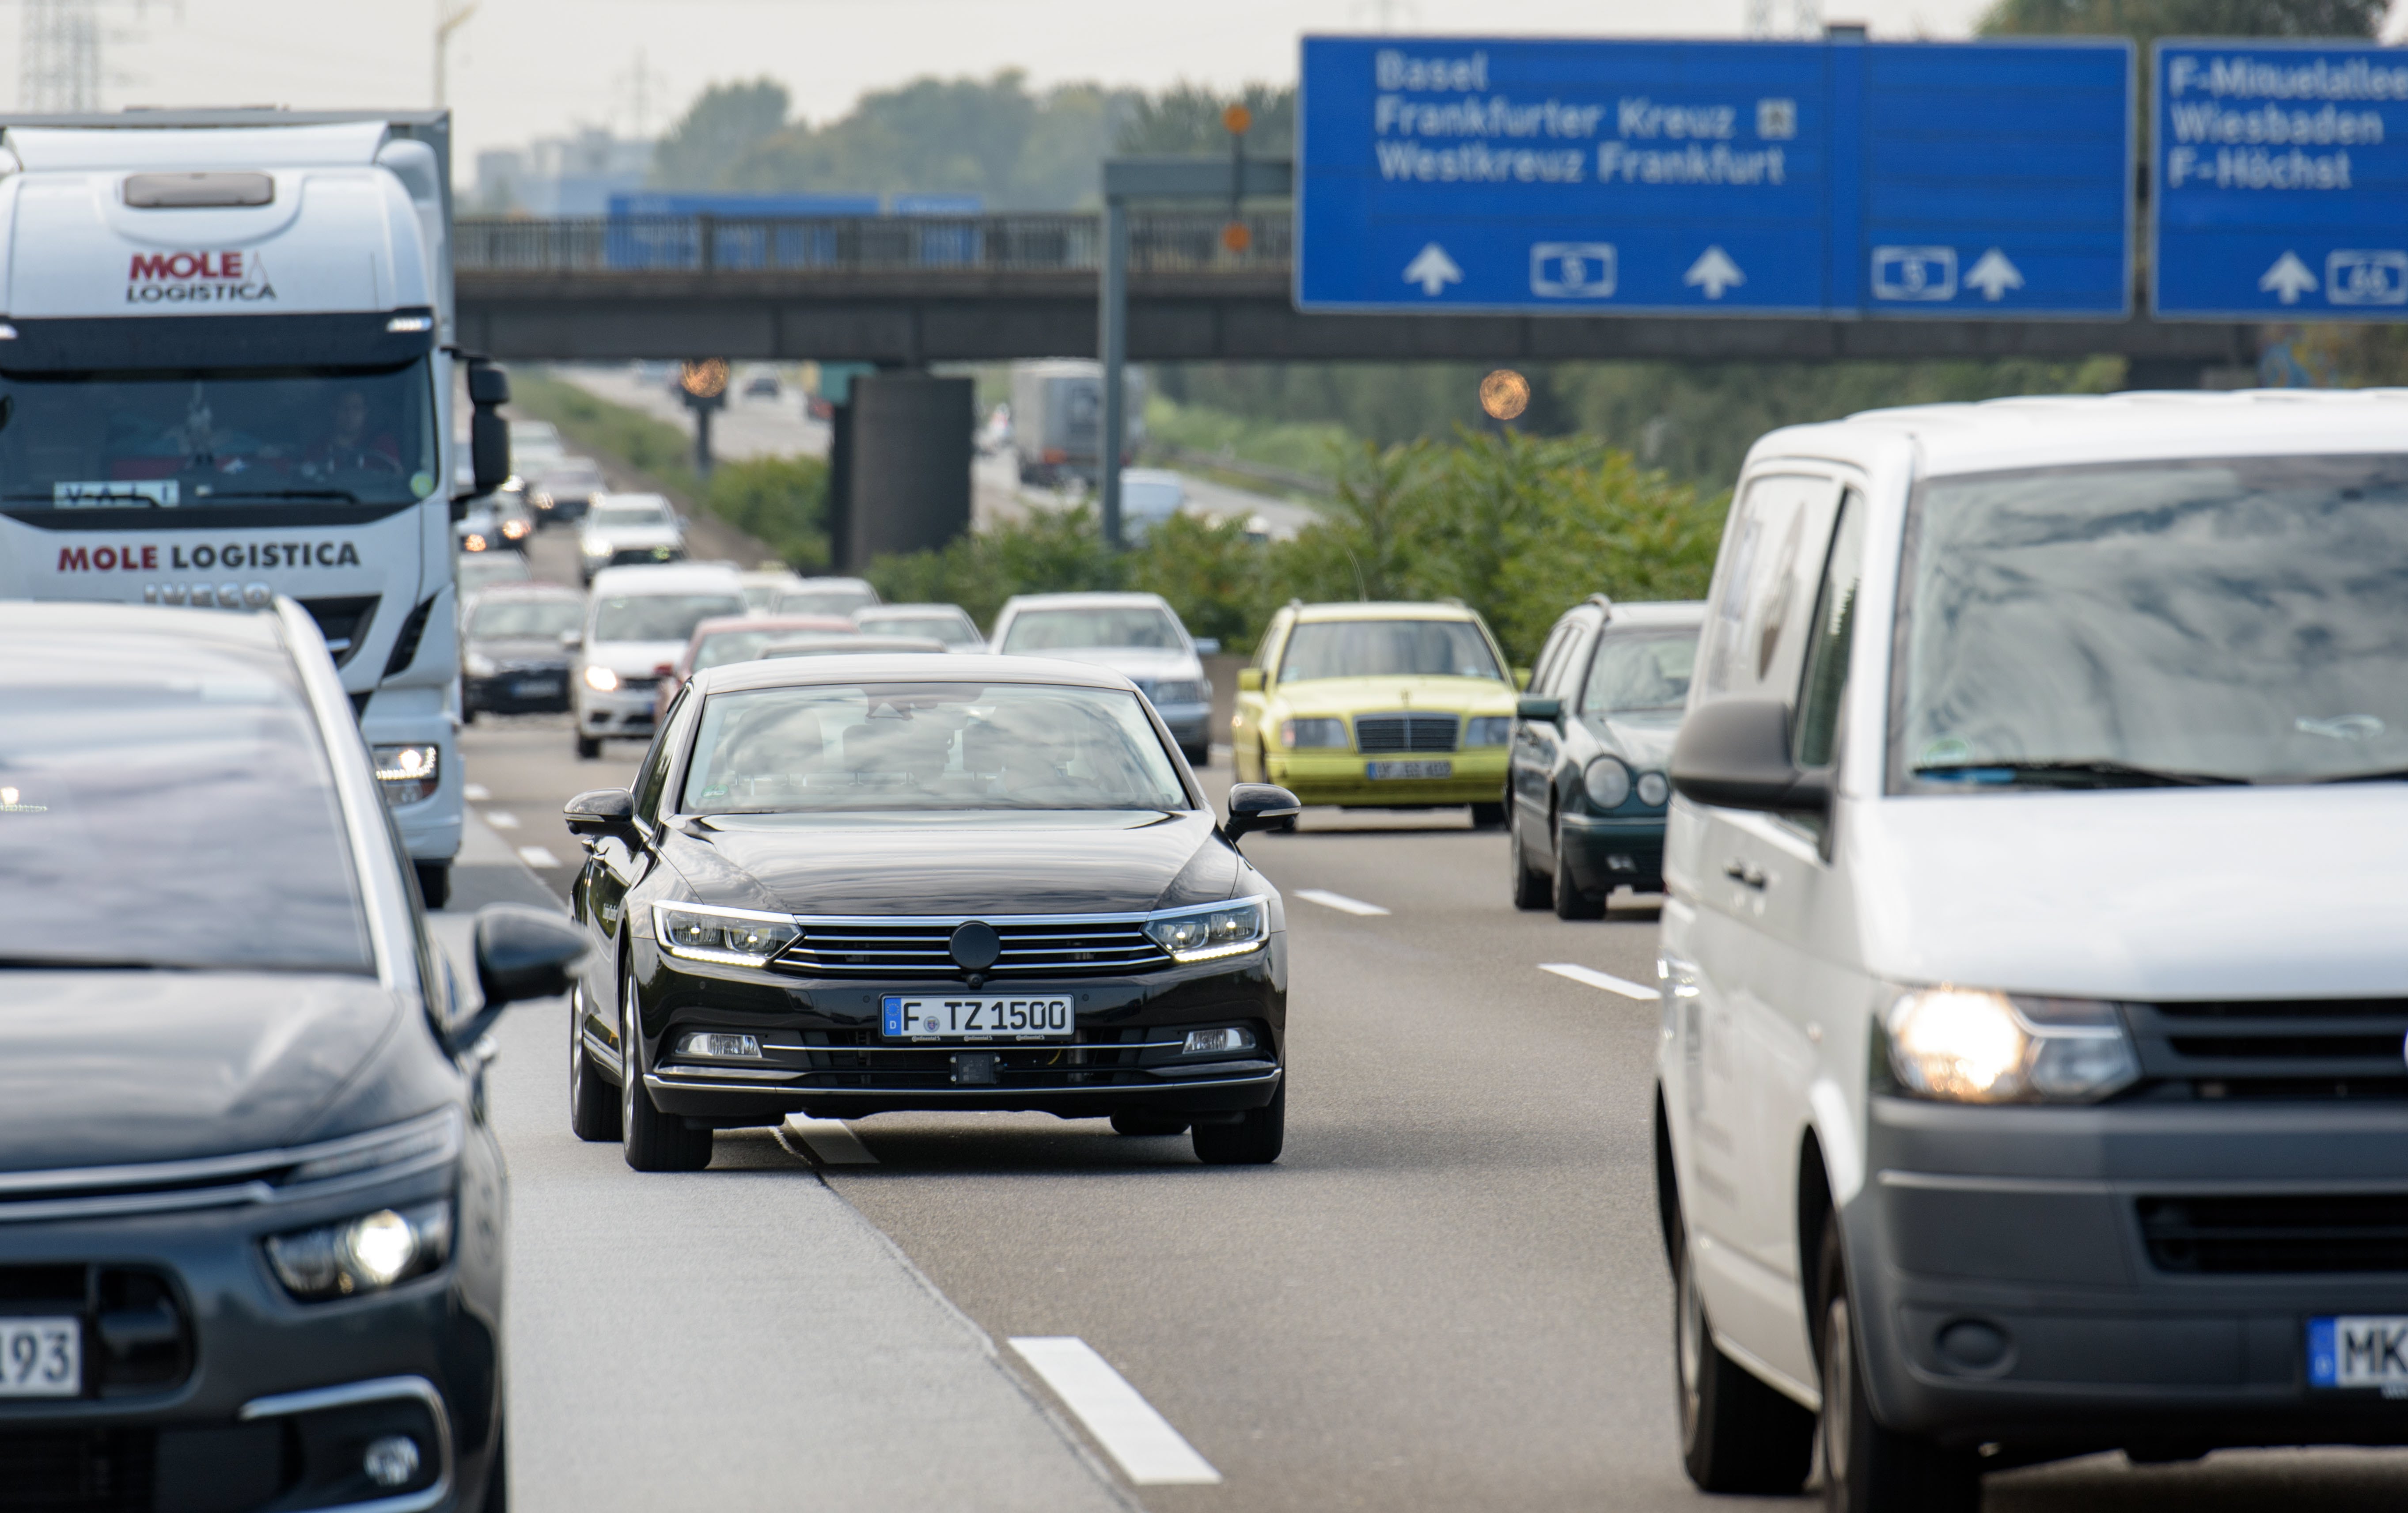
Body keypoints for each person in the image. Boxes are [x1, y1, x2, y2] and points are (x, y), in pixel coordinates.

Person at [307, 387, 401, 474]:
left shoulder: (383, 443)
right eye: (344, 408)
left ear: (365, 412)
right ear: (334, 411)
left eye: (357, 408)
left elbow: (395, 476)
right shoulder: (320, 447)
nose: (350, 415)